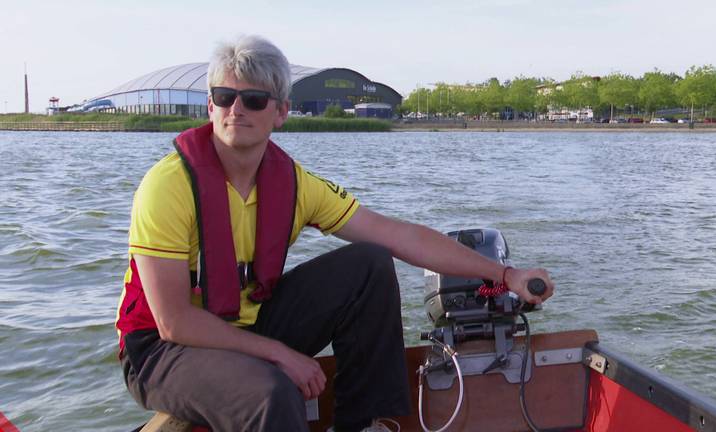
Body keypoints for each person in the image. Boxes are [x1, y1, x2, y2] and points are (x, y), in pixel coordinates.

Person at [115, 35, 554, 432]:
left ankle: (360, 425)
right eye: (224, 96)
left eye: (253, 99)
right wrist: (280, 355)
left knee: (369, 263)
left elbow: (400, 236)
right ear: (210, 107)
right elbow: (174, 322)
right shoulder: (169, 186)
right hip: (162, 351)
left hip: (249, 323)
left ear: (281, 113)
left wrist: (504, 274)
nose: (236, 110)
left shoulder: (294, 185)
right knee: (272, 393)